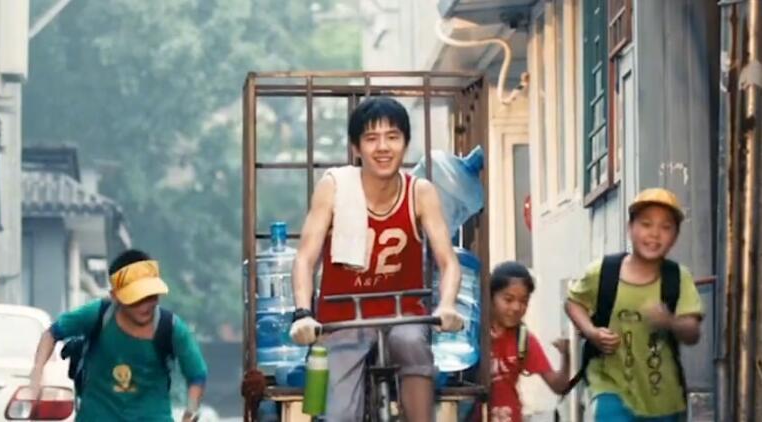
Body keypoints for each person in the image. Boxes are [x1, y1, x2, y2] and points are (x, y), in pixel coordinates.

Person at [289, 97, 464, 421]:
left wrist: (447, 305)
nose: (383, 147)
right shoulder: (334, 187)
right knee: (339, 413)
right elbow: (305, 258)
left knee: (413, 346)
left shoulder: (420, 192)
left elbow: (448, 261)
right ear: (356, 148)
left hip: (403, 314)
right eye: (371, 138)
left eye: (392, 137)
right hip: (342, 317)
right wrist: (302, 313)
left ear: (405, 143)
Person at [566, 188, 702, 421]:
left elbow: (692, 333)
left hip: (664, 399)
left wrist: (670, 321)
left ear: (675, 236)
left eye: (665, 227)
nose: (655, 234)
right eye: (646, 224)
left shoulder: (679, 278)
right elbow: (573, 302)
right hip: (610, 386)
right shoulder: (604, 272)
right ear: (630, 229)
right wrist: (591, 332)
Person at [29, 249, 208, 422]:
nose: (145, 306)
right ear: (115, 296)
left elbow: (197, 375)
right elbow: (52, 333)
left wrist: (191, 411)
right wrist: (37, 371)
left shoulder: (172, 328)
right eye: (136, 299)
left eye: (151, 297)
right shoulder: (98, 315)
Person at [481, 261, 570, 422]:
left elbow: (558, 386)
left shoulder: (523, 340)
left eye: (524, 301)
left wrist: (566, 356)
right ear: (491, 297)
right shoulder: (475, 334)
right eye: (508, 299)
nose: (517, 307)